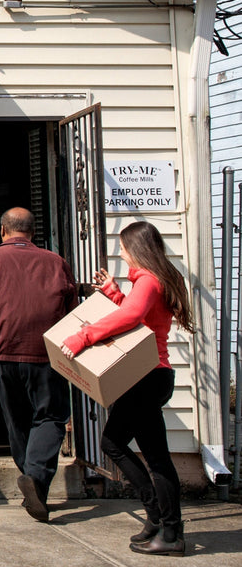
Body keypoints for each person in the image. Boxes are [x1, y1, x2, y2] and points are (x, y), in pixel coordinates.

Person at [61, 221, 194, 557]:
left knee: (115, 443)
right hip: (154, 376)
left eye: (122, 247)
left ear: (135, 249)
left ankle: (167, 529)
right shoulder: (159, 278)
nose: (121, 253)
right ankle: (161, 524)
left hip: (146, 378)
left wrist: (84, 335)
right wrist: (115, 293)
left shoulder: (148, 280)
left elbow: (133, 317)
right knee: (155, 457)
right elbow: (142, 317)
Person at [0, 207, 77, 523]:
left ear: (2, 231)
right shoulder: (56, 263)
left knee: (17, 421)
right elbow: (72, 312)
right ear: (33, 233)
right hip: (46, 353)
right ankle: (35, 479)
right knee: (51, 416)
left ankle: (32, 479)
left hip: (1, 354)